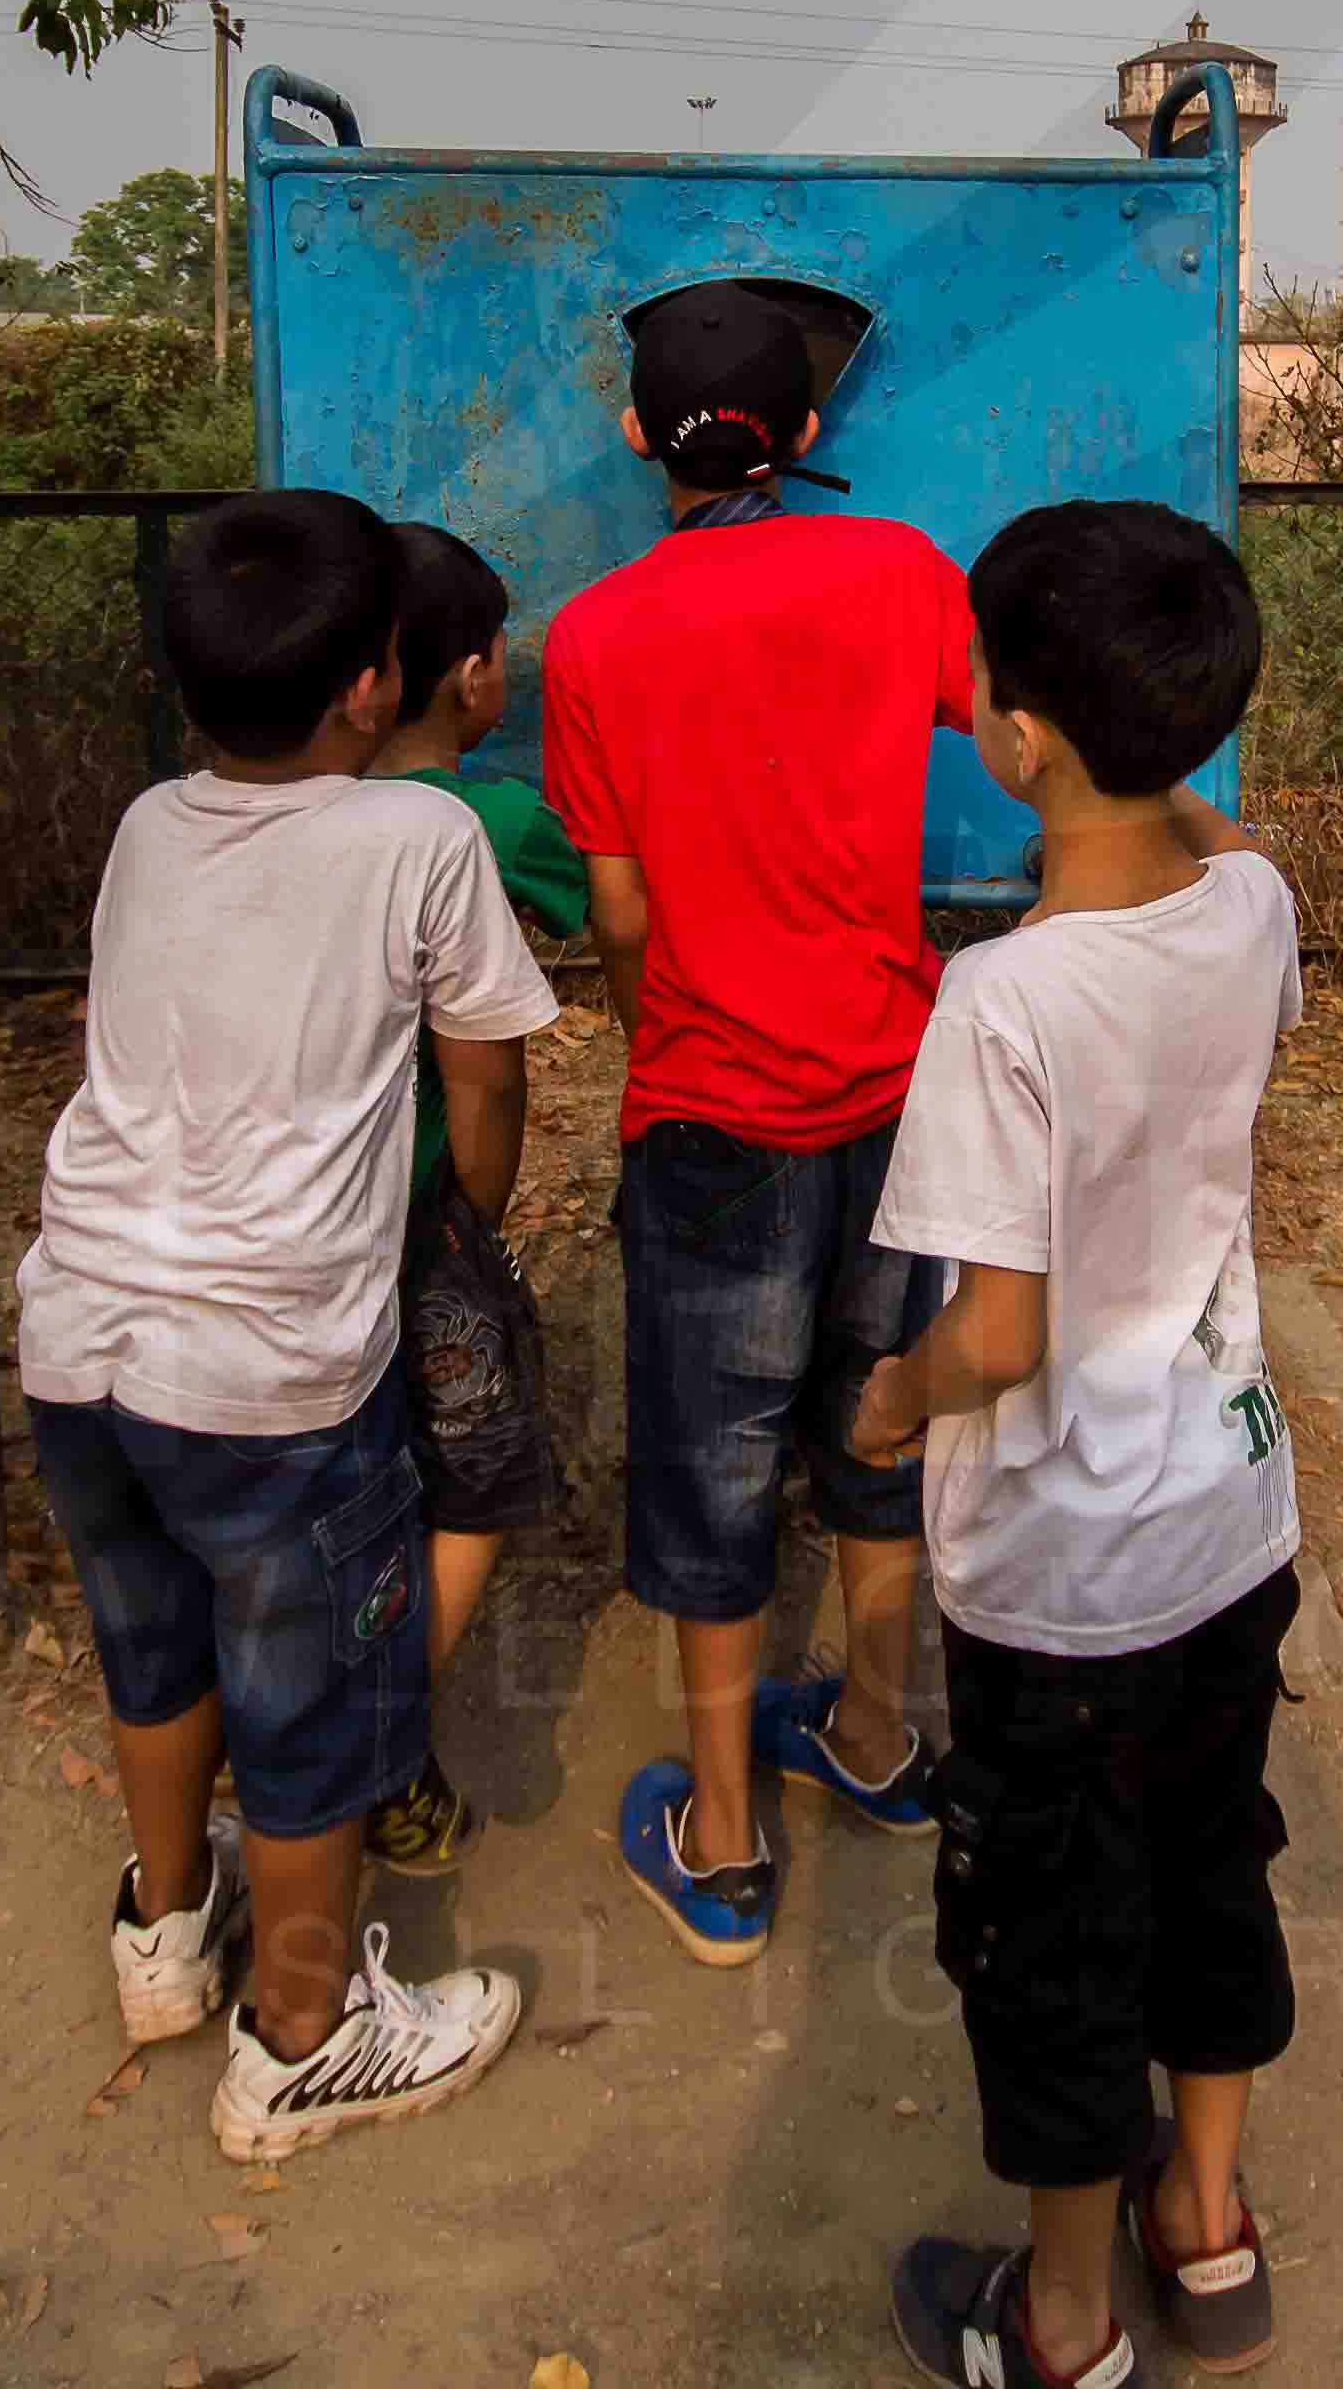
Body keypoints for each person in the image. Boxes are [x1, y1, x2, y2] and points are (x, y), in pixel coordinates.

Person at [13, 489, 556, 2161]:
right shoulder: (419, 840)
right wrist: (460, 1227)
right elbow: (484, 1076)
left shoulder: (144, 827)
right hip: (270, 1371)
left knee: (155, 1642)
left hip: (82, 1328)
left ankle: (167, 1931)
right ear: (376, 688)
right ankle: (302, 2039)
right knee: (306, 1699)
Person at [847, 499, 1302, 2389]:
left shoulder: (1002, 1003)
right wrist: (1135, 766)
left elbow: (1000, 1335)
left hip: (1066, 1585)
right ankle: (1202, 2227)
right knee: (1212, 1862)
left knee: (1049, 1939)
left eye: (976, 673)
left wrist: (890, 1399)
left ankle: (1059, 2326)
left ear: (1019, 738)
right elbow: (1188, 827)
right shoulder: (1254, 898)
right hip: (1233, 1522)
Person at [536, 278, 975, 1961]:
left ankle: (720, 1843)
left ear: (640, 434)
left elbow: (624, 916)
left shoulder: (592, 637)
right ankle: (873, 1737)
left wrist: (672, 1035)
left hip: (712, 1105)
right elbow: (1007, 725)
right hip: (896, 1093)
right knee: (880, 1421)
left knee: (711, 1471)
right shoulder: (900, 571)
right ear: (801, 436)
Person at [359, 520, 588, 1876]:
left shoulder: (279, 817)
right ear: (478, 676)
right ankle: (382, 1746)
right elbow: (499, 1070)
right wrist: (479, 1223)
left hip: (295, 1228)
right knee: (474, 1475)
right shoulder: (491, 819)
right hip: (427, 1212)